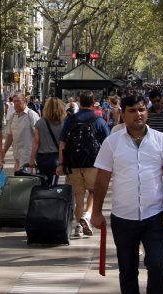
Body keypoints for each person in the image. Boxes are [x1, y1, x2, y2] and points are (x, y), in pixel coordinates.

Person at [91, 94, 163, 294]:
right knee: (127, 269)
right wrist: (96, 211)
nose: (138, 114)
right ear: (123, 114)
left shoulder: (161, 140)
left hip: (155, 215)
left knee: (157, 265)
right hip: (123, 217)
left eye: (141, 110)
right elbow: (102, 179)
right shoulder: (112, 142)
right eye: (132, 111)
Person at [57, 91, 111, 238]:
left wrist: (61, 163)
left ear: (79, 102)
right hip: (93, 163)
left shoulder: (70, 120)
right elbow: (108, 143)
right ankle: (86, 217)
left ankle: (78, 226)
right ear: (93, 103)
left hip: (73, 163)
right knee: (93, 192)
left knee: (78, 195)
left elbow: (62, 142)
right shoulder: (98, 120)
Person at [29, 97, 66, 186]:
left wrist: (32, 159)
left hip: (42, 158)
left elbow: (36, 142)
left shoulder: (40, 122)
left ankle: (43, 198)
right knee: (53, 184)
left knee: (43, 183)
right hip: (56, 157)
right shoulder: (64, 123)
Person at [2, 92, 40, 171]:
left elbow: (39, 136)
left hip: (28, 157)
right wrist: (3, 152)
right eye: (14, 101)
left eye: (18, 101)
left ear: (24, 101)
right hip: (17, 156)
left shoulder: (32, 115)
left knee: (27, 181)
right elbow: (9, 136)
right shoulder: (12, 117)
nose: (15, 103)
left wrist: (34, 157)